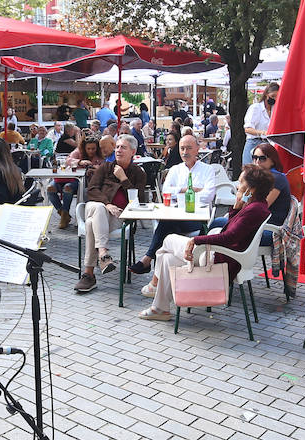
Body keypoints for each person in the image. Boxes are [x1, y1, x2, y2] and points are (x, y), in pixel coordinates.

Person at [138, 165, 273, 320]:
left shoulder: (254, 210)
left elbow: (229, 237)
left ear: (251, 188)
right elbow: (233, 228)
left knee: (168, 240)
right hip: (222, 255)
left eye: (241, 182)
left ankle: (155, 284)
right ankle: (160, 309)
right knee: (167, 258)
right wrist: (237, 206)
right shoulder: (255, 205)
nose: (237, 185)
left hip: (219, 259)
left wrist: (196, 240)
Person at [128, 135, 221, 276]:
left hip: (196, 221)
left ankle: (148, 260)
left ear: (197, 149)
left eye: (189, 148)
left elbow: (207, 196)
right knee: (170, 223)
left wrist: (177, 193)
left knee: (167, 224)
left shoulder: (207, 170)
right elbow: (166, 192)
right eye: (182, 148)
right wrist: (188, 190)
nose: (185, 152)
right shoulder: (175, 169)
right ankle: (156, 267)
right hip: (176, 217)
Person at [74, 136, 149, 292]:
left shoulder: (138, 173)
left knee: (90, 225)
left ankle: (89, 274)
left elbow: (140, 201)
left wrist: (123, 178)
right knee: (99, 209)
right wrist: (107, 204)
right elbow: (92, 190)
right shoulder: (105, 167)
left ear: (133, 152)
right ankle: (103, 252)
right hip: (95, 207)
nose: (118, 150)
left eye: (123, 147)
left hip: (118, 217)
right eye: (117, 147)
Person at [243, 82, 279, 163]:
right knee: (251, 173)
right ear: (266, 94)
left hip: (268, 145)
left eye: (277, 97)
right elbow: (247, 129)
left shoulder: (275, 110)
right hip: (254, 143)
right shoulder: (256, 108)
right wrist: (263, 132)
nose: (275, 99)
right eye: (273, 96)